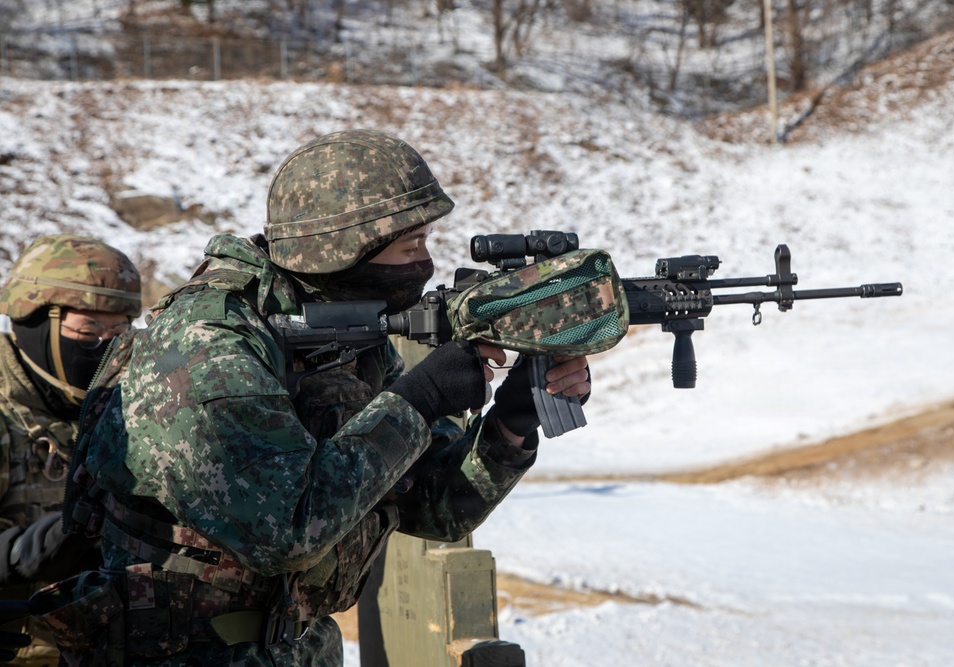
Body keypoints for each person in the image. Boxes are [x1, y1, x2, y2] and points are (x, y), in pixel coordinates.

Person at [37, 129, 591, 666]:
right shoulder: (207, 346)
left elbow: (430, 505)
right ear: (343, 249)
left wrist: (511, 421)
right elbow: (284, 528)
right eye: (411, 244)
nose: (424, 265)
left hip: (296, 646)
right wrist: (419, 399)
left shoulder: (347, 337)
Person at [0, 234, 142, 665]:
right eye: (88, 332)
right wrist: (23, 551)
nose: (107, 347)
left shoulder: (137, 409)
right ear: (34, 325)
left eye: (120, 332)